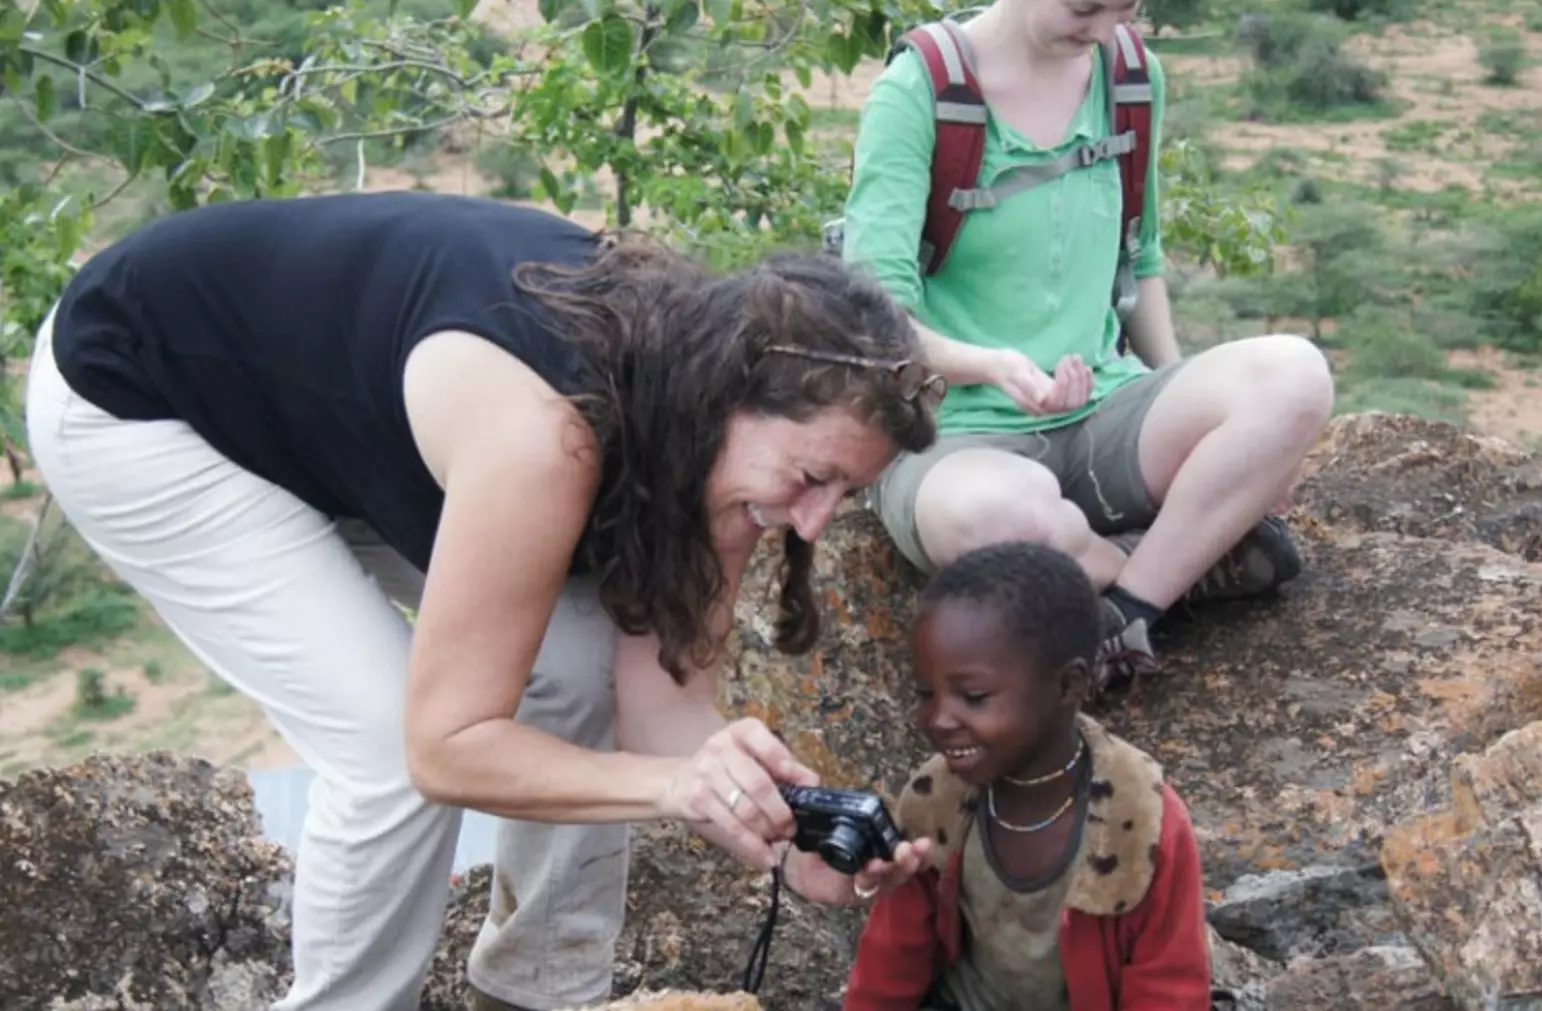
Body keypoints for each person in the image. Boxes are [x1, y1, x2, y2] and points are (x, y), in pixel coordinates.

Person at [22, 190, 944, 1011]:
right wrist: (675, 785)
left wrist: (786, 836)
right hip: (143, 399)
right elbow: (444, 748)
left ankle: (540, 990)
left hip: (339, 427)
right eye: (813, 475)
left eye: (845, 494)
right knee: (386, 742)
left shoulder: (720, 454)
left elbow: (662, 708)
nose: (815, 522)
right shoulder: (546, 438)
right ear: (734, 394)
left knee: (577, 660)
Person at [839, 0, 1336, 692]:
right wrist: (991, 364)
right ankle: (1171, 560)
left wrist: (1203, 418)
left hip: (1104, 409)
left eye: (1126, 8)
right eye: (1085, 8)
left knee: (1295, 376)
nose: (1105, 31)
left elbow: (1143, 254)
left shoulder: (1130, 75)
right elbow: (875, 310)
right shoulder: (923, 86)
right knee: (992, 517)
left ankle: (1129, 609)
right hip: (956, 433)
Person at [841, 540, 1213, 1011]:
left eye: (973, 697)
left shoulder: (1140, 820)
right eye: (924, 693)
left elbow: (1168, 987)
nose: (940, 718)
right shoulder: (935, 802)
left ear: (1068, 686)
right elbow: (892, 957)